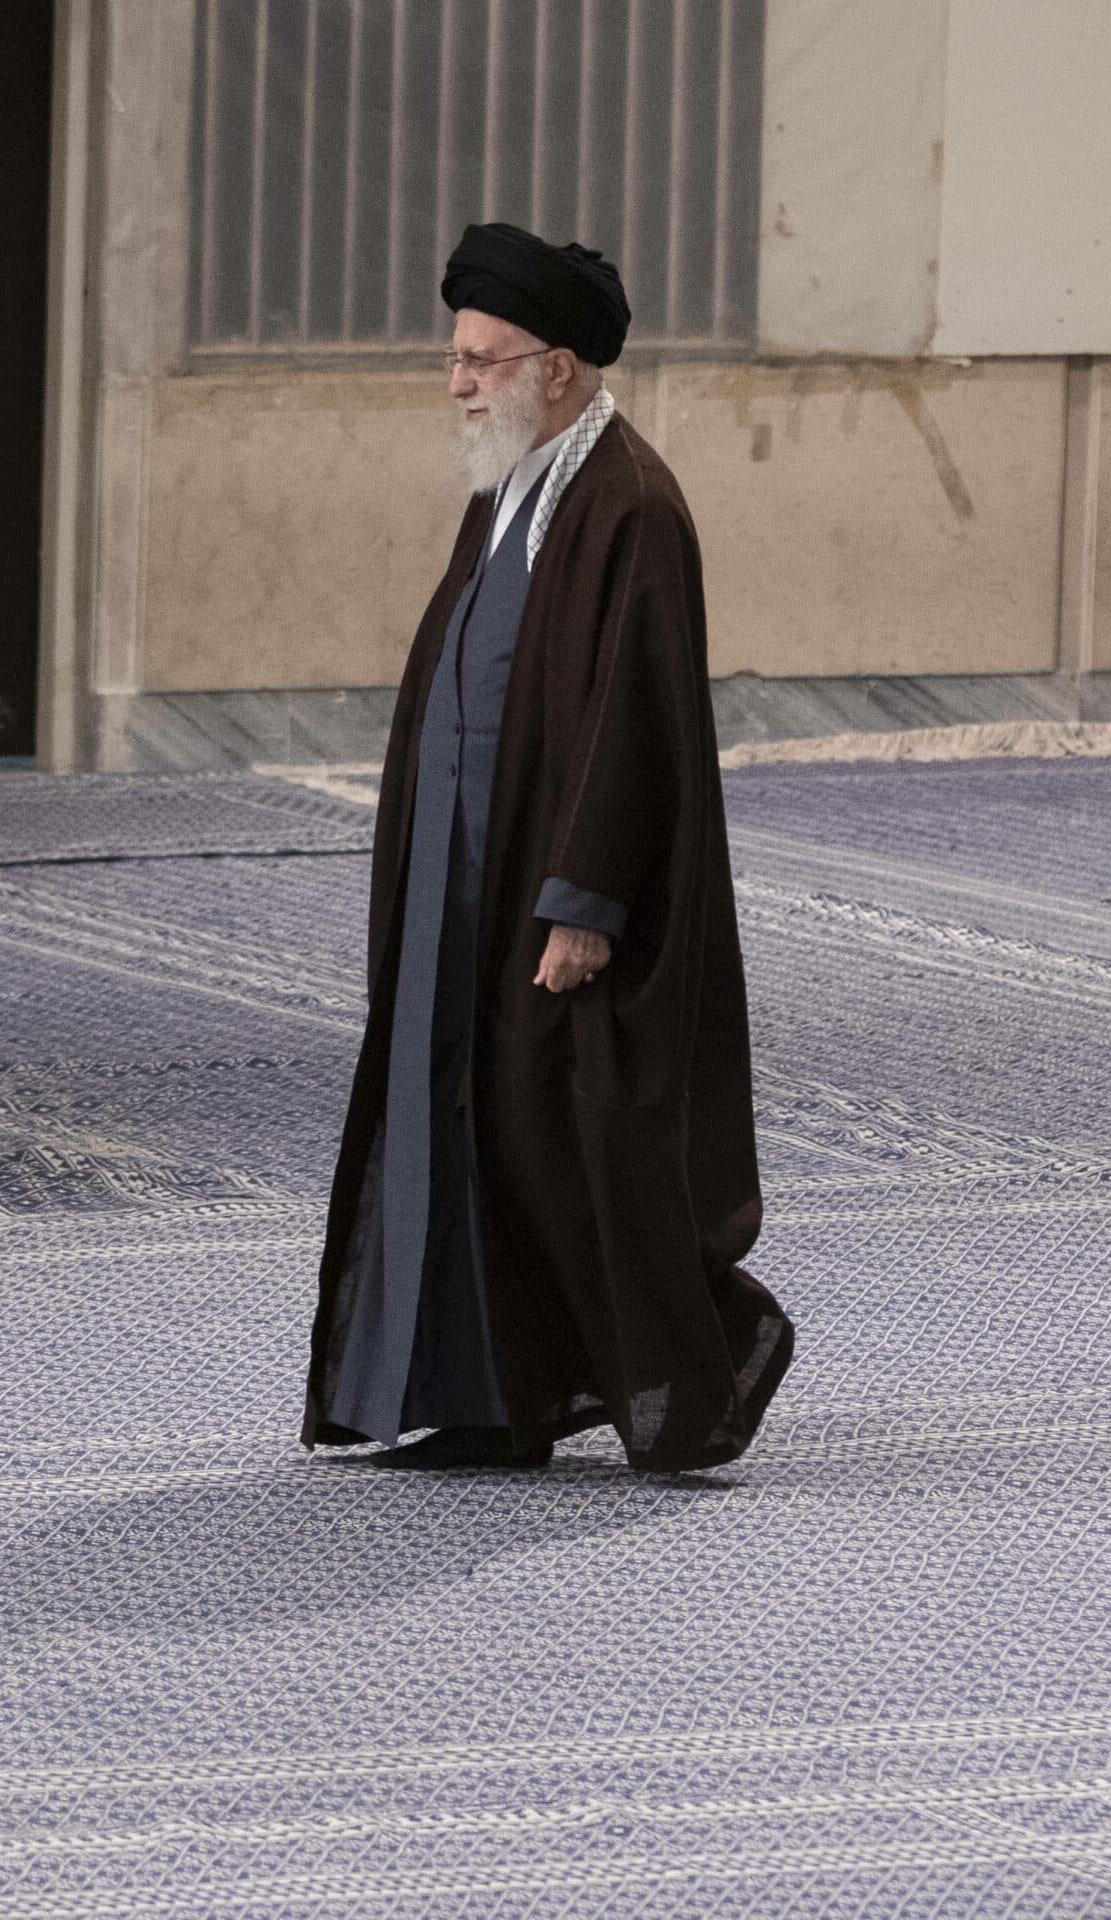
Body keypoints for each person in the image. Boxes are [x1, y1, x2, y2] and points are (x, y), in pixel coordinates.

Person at [302, 221, 795, 1475]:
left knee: (561, 1140)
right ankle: (480, 1401)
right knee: (453, 1126)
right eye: (455, 357)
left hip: (549, 889)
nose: (458, 381)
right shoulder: (515, 478)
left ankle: (705, 1362)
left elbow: (636, 726)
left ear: (558, 368)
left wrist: (584, 903)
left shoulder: (630, 505)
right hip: (461, 873)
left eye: (481, 358)